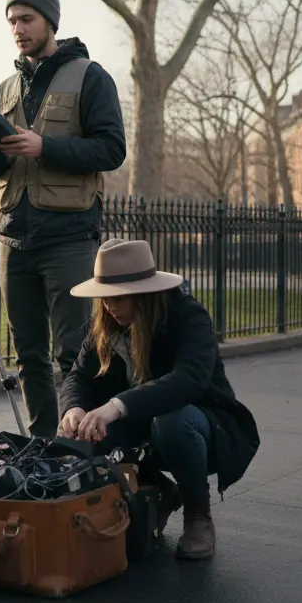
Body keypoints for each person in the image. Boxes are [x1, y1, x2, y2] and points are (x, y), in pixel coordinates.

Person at [0, 0, 127, 438]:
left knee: (75, 352)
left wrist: (45, 147)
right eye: (12, 22)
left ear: (50, 22)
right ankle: (42, 445)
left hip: (69, 237)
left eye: (26, 19)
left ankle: (82, 447)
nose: (18, 29)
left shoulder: (90, 76)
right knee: (28, 356)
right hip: (13, 237)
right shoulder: (5, 88)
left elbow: (111, 150)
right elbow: (5, 169)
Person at [56, 238, 260, 560]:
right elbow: (78, 377)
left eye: (117, 297)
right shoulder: (106, 325)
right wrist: (74, 408)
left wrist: (115, 406)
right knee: (83, 431)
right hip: (140, 425)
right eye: (104, 296)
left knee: (172, 421)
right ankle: (158, 490)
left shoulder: (188, 316)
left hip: (203, 427)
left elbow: (188, 380)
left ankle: (197, 514)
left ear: (144, 292)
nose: (108, 305)